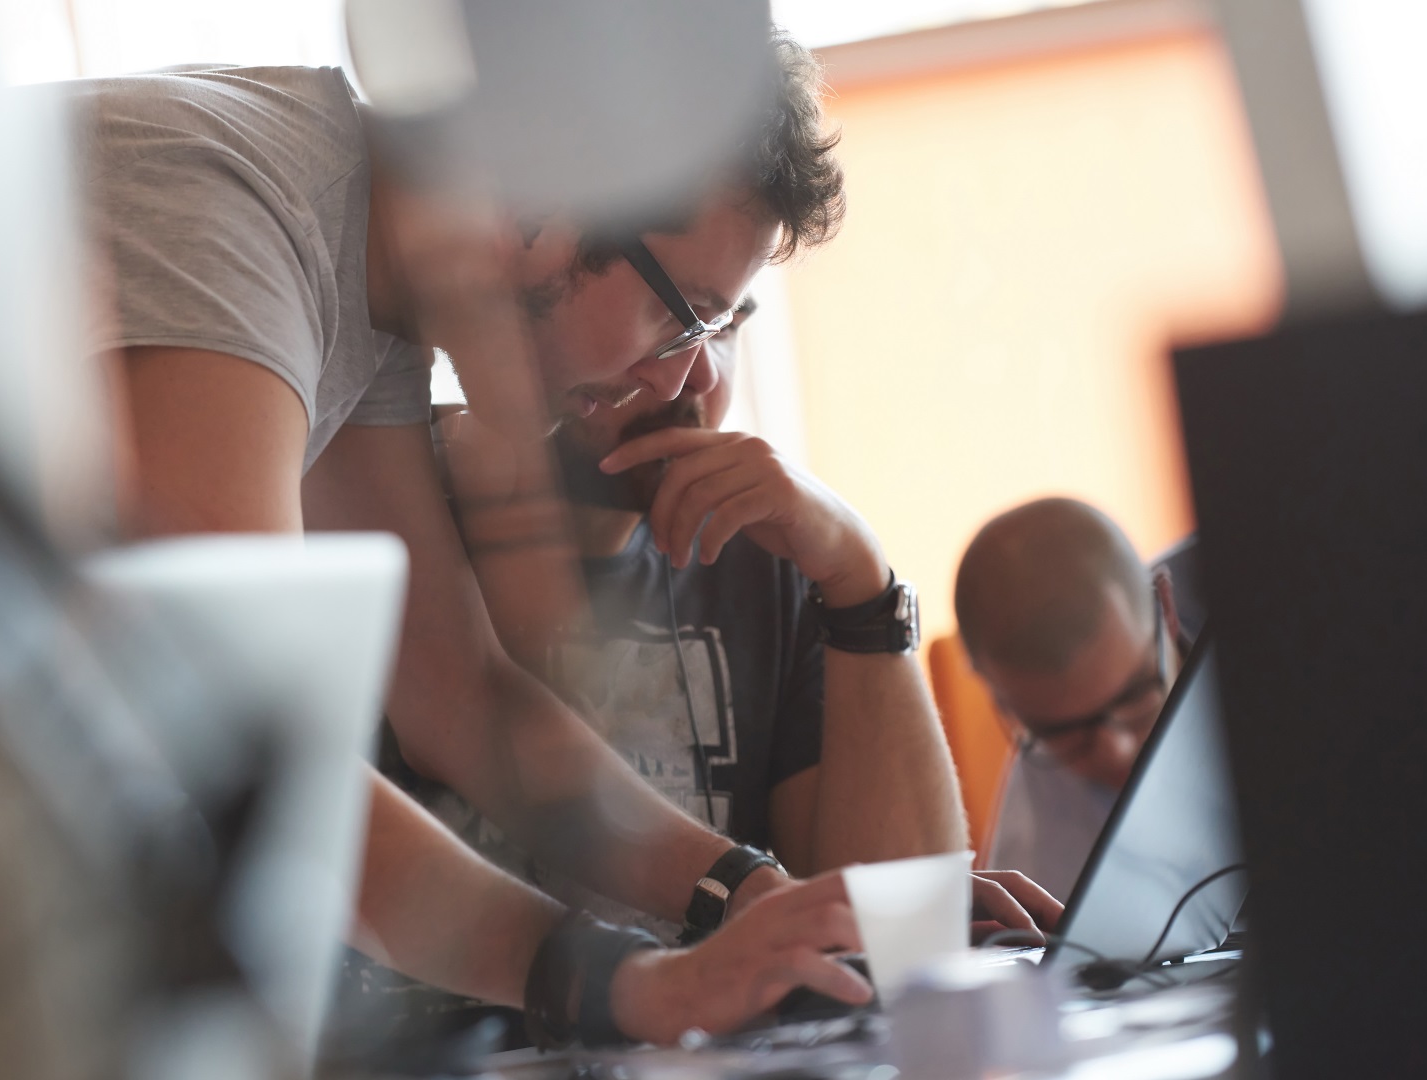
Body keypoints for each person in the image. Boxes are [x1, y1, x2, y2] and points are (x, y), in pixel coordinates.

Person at [67, 32, 1045, 1044]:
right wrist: (630, 985)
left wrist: (747, 893)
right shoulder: (223, 207)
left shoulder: (371, 285)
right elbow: (247, 743)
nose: (685, 382)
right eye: (685, 319)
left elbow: (458, 692)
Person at [415, 304, 1058, 935]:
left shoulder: (770, 561)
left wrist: (862, 581)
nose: (702, 378)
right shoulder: (405, 543)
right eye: (672, 328)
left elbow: (898, 937)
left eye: (726, 330)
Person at [952, 498, 1202, 902]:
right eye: (1062, 731)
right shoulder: (1034, 844)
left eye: (1136, 694)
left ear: (1165, 608)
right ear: (1000, 702)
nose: (1115, 752)